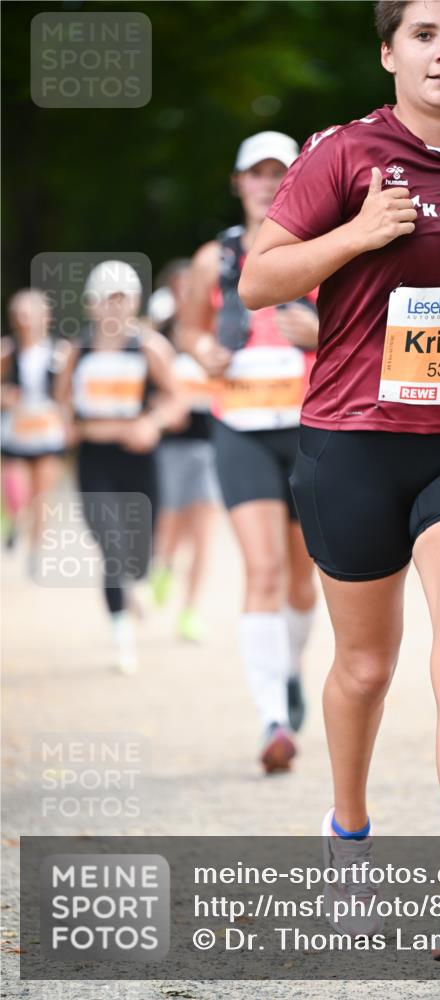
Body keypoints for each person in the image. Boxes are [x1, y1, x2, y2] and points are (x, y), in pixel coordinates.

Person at [239, 0, 440, 960]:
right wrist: (358, 234)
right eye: (423, 35)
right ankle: (347, 831)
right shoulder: (341, 156)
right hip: (353, 441)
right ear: (389, 52)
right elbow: (261, 280)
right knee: (366, 668)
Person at [182, 132, 320, 774]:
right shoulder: (214, 260)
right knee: (262, 570)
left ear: (296, 180)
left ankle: (287, 672)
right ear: (238, 182)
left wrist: (321, 332)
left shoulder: (323, 249)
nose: (267, 183)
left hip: (310, 427)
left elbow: (367, 328)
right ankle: (272, 718)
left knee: (302, 578)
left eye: (279, 173)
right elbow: (187, 327)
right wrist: (200, 349)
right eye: (256, 174)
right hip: (238, 426)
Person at [55, 261, 180, 674]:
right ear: (92, 306)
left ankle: (136, 584)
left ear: (133, 303)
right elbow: (62, 404)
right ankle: (122, 638)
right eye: (106, 300)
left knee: (138, 557)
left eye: (121, 299)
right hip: (95, 460)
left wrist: (152, 422)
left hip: (139, 460)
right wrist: (69, 425)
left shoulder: (149, 348)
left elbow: (176, 401)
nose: (114, 309)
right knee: (111, 546)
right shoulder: (77, 351)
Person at [148, 259, 222, 642]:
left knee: (204, 533)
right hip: (173, 446)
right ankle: (161, 568)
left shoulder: (220, 330)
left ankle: (190, 612)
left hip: (213, 443)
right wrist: (162, 408)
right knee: (171, 525)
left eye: (190, 286)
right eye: (178, 287)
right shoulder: (157, 339)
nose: (185, 293)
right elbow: (143, 389)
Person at [1, 289, 68, 567]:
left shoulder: (60, 352)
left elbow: (67, 394)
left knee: (42, 496)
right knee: (16, 488)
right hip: (16, 430)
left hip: (47, 431)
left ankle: (36, 550)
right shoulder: (7, 351)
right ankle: (16, 520)